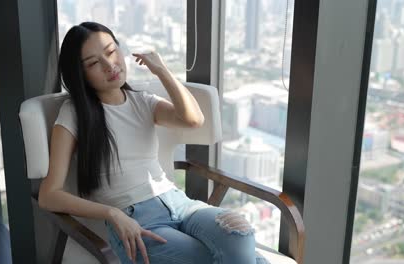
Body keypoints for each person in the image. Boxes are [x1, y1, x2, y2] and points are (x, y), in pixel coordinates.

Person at [38, 21, 265, 264]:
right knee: (217, 259)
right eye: (94, 63)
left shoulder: (142, 101)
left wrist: (162, 70)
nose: (109, 65)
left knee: (241, 236)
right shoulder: (73, 113)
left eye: (111, 52)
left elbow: (193, 119)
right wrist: (111, 213)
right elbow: (49, 195)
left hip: (180, 203)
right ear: (80, 74)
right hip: (136, 221)